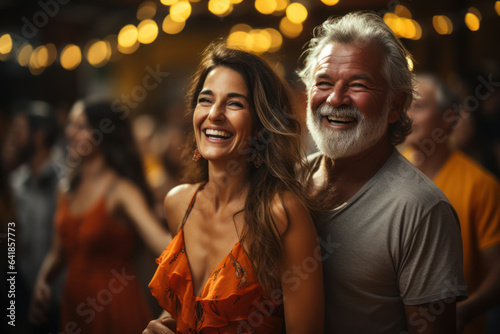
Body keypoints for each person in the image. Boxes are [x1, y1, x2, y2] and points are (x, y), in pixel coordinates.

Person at [298, 12, 467, 333]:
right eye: (323, 83)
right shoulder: (287, 182)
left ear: (394, 105)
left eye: (358, 85)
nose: (334, 99)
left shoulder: (421, 209)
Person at [144, 43, 324, 334]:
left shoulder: (282, 214)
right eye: (206, 100)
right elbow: (193, 305)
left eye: (235, 103)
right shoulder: (178, 203)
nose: (214, 113)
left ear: (261, 125)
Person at [29, 99, 171, 334]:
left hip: (114, 304)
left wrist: (200, 250)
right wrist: (42, 280)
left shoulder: (122, 190)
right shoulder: (65, 190)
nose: (71, 133)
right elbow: (57, 253)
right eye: (71, 125)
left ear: (104, 132)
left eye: (82, 126)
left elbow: (162, 244)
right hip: (73, 303)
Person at [402, 74, 500, 334]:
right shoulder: (388, 172)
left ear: (449, 117)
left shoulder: (480, 185)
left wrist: (465, 311)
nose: (406, 116)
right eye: (404, 106)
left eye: (419, 107)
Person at [4, 102, 63, 333]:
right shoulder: (15, 183)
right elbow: (11, 240)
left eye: (19, 132)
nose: (13, 138)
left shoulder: (66, 183)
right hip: (19, 290)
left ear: (38, 137)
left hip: (58, 294)